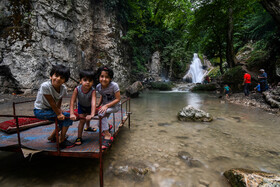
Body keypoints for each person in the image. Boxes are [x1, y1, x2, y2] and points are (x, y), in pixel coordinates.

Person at [34, 64, 74, 149]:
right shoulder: (45, 86)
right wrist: (59, 114)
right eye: (56, 75)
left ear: (65, 80)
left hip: (51, 110)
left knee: (62, 118)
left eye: (62, 77)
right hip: (40, 111)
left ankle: (52, 137)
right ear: (51, 76)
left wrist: (59, 111)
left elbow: (59, 100)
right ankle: (62, 140)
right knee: (67, 117)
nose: (58, 79)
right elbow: (52, 103)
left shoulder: (63, 88)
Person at [96, 66, 121, 149]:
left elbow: (118, 99)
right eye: (102, 76)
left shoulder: (114, 86)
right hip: (105, 106)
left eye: (107, 77)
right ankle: (108, 126)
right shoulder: (98, 87)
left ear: (110, 78)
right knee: (99, 124)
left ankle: (108, 135)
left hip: (115, 106)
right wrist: (99, 105)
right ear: (99, 77)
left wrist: (106, 106)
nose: (104, 79)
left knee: (101, 113)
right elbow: (102, 96)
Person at [70, 70, 97, 145]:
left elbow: (93, 102)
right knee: (82, 120)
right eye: (85, 80)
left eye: (90, 80)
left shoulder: (93, 90)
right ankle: (79, 137)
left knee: (88, 116)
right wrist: (72, 113)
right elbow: (72, 101)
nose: (88, 82)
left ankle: (88, 127)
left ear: (93, 82)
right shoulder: (77, 89)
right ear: (80, 81)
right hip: (81, 106)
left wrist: (92, 114)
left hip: (89, 106)